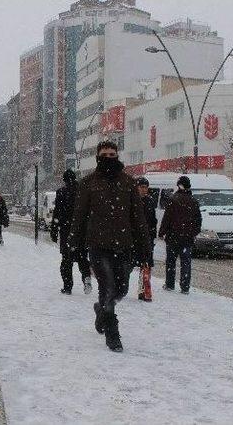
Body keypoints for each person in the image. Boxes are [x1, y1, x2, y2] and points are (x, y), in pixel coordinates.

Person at [69, 140, 149, 352]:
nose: (108, 158)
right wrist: (74, 242)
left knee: (121, 289)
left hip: (124, 245)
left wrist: (145, 249)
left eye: (112, 155)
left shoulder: (129, 183)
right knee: (108, 287)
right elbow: (80, 216)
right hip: (98, 245)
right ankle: (112, 332)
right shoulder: (88, 183)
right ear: (97, 157)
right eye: (104, 154)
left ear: (118, 156)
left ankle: (101, 310)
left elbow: (138, 218)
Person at [50, 169, 92, 295]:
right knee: (83, 258)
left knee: (66, 260)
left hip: (66, 231)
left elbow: (57, 212)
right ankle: (86, 278)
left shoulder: (61, 192)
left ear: (64, 179)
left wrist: (54, 229)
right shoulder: (83, 191)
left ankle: (68, 287)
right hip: (81, 231)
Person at [158, 176, 202, 295]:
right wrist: (193, 233)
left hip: (173, 237)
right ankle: (185, 287)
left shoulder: (173, 199)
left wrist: (162, 232)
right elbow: (198, 220)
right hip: (187, 239)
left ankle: (170, 284)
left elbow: (167, 218)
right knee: (186, 262)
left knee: (171, 261)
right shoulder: (193, 201)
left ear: (179, 186)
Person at [135, 177, 157, 302]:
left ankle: (144, 291)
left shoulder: (150, 201)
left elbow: (153, 221)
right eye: (142, 187)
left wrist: (152, 235)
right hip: (133, 238)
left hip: (146, 238)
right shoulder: (131, 200)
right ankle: (119, 287)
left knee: (146, 265)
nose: (144, 190)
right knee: (126, 266)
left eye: (146, 187)